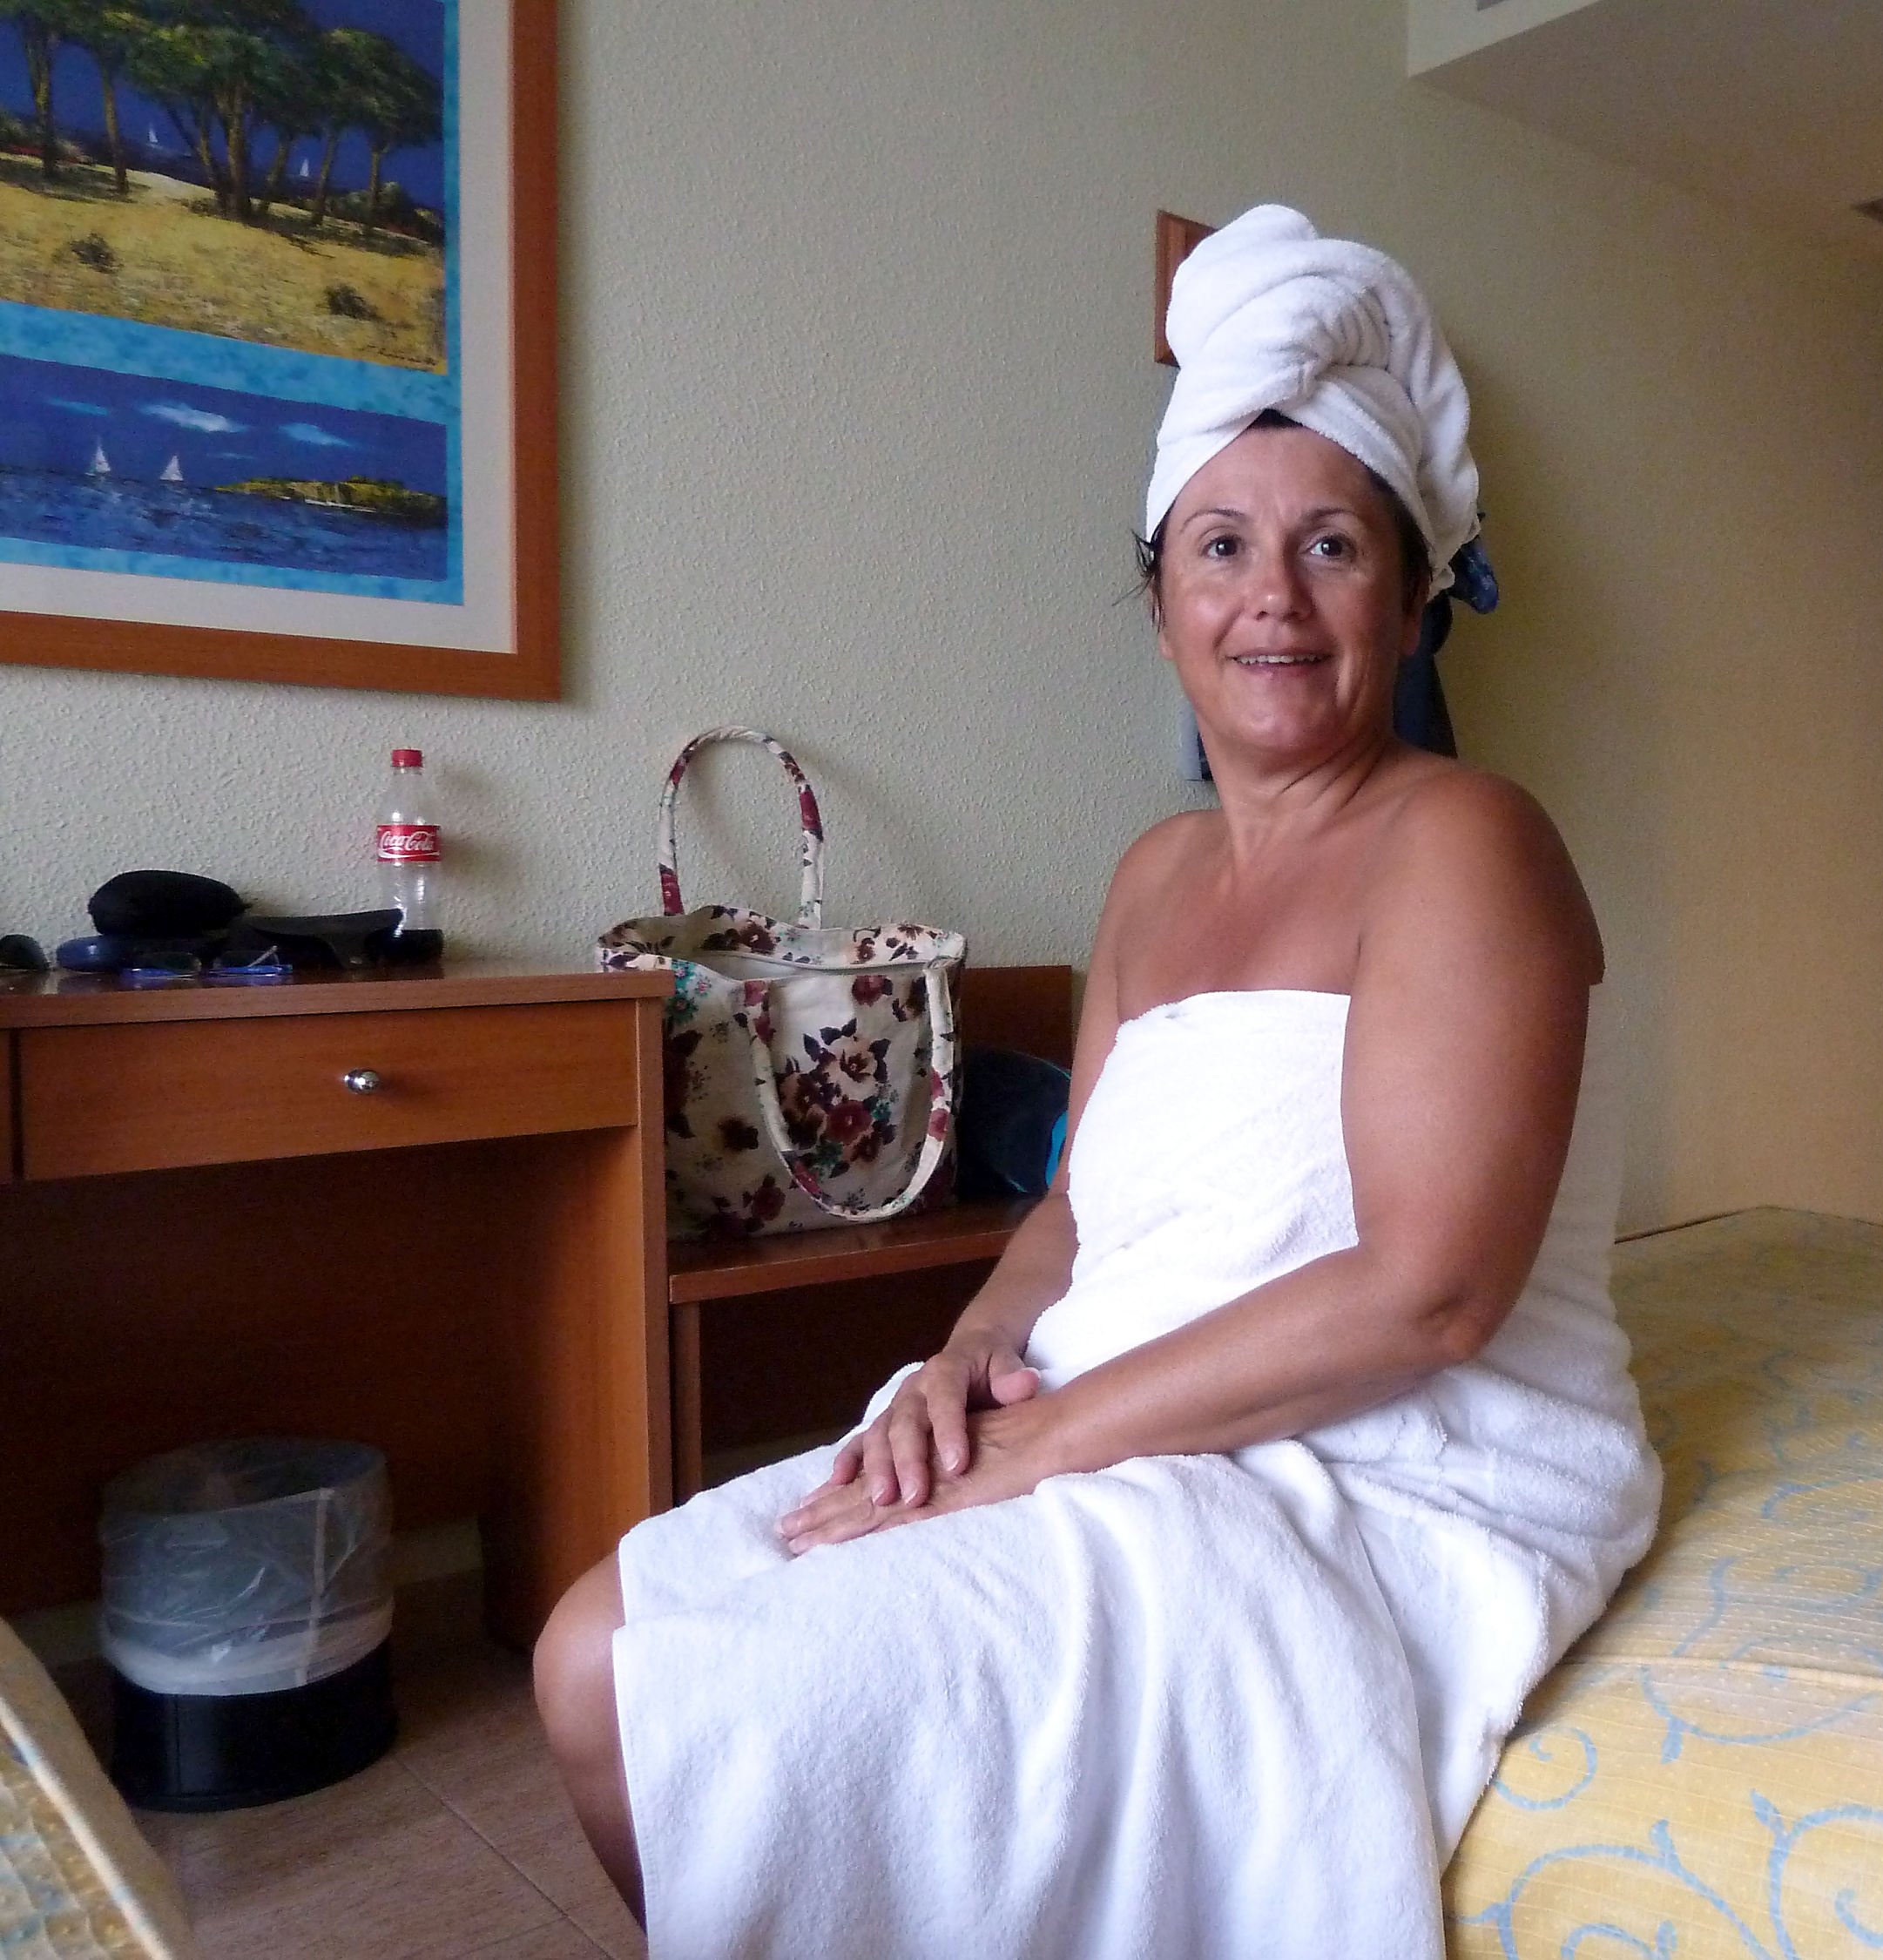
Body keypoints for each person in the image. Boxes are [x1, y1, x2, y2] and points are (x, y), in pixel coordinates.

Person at [533, 204, 1659, 1960]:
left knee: (716, 1688)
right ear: (1161, 606)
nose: (1271, 596)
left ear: (1412, 602)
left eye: (1332, 546)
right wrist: (968, 1365)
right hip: (1114, 1397)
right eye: (1220, 546)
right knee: (591, 1653)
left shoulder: (1469, 841)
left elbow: (1431, 1295)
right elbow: (1078, 1204)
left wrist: (1045, 1447)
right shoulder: (1154, 873)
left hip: (1391, 1459)